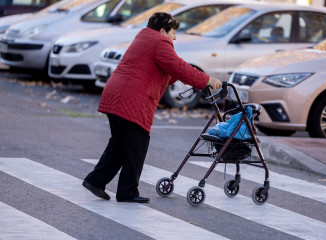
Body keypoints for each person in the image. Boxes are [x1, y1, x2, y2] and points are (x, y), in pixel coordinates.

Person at [82, 12, 222, 203]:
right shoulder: (159, 42)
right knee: (136, 146)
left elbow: (169, 70)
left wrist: (185, 76)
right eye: (173, 32)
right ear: (163, 30)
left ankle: (95, 181)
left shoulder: (144, 37)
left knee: (119, 144)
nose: (175, 37)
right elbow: (178, 67)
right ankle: (127, 192)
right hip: (133, 99)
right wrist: (207, 80)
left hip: (116, 94)